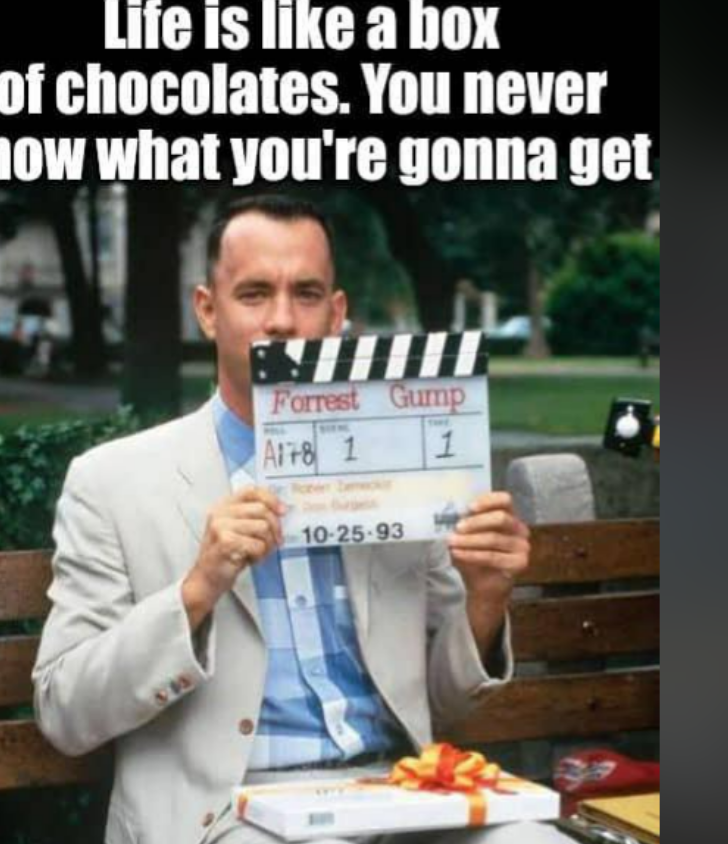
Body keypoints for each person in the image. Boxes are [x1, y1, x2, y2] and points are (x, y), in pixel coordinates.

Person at [32, 196, 572, 844]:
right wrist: (196, 591)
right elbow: (64, 711)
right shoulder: (111, 482)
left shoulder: (401, 466)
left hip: (401, 799)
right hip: (231, 818)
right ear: (208, 309)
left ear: (337, 314)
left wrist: (484, 601)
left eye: (307, 294)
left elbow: (446, 702)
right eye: (255, 293)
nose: (283, 321)